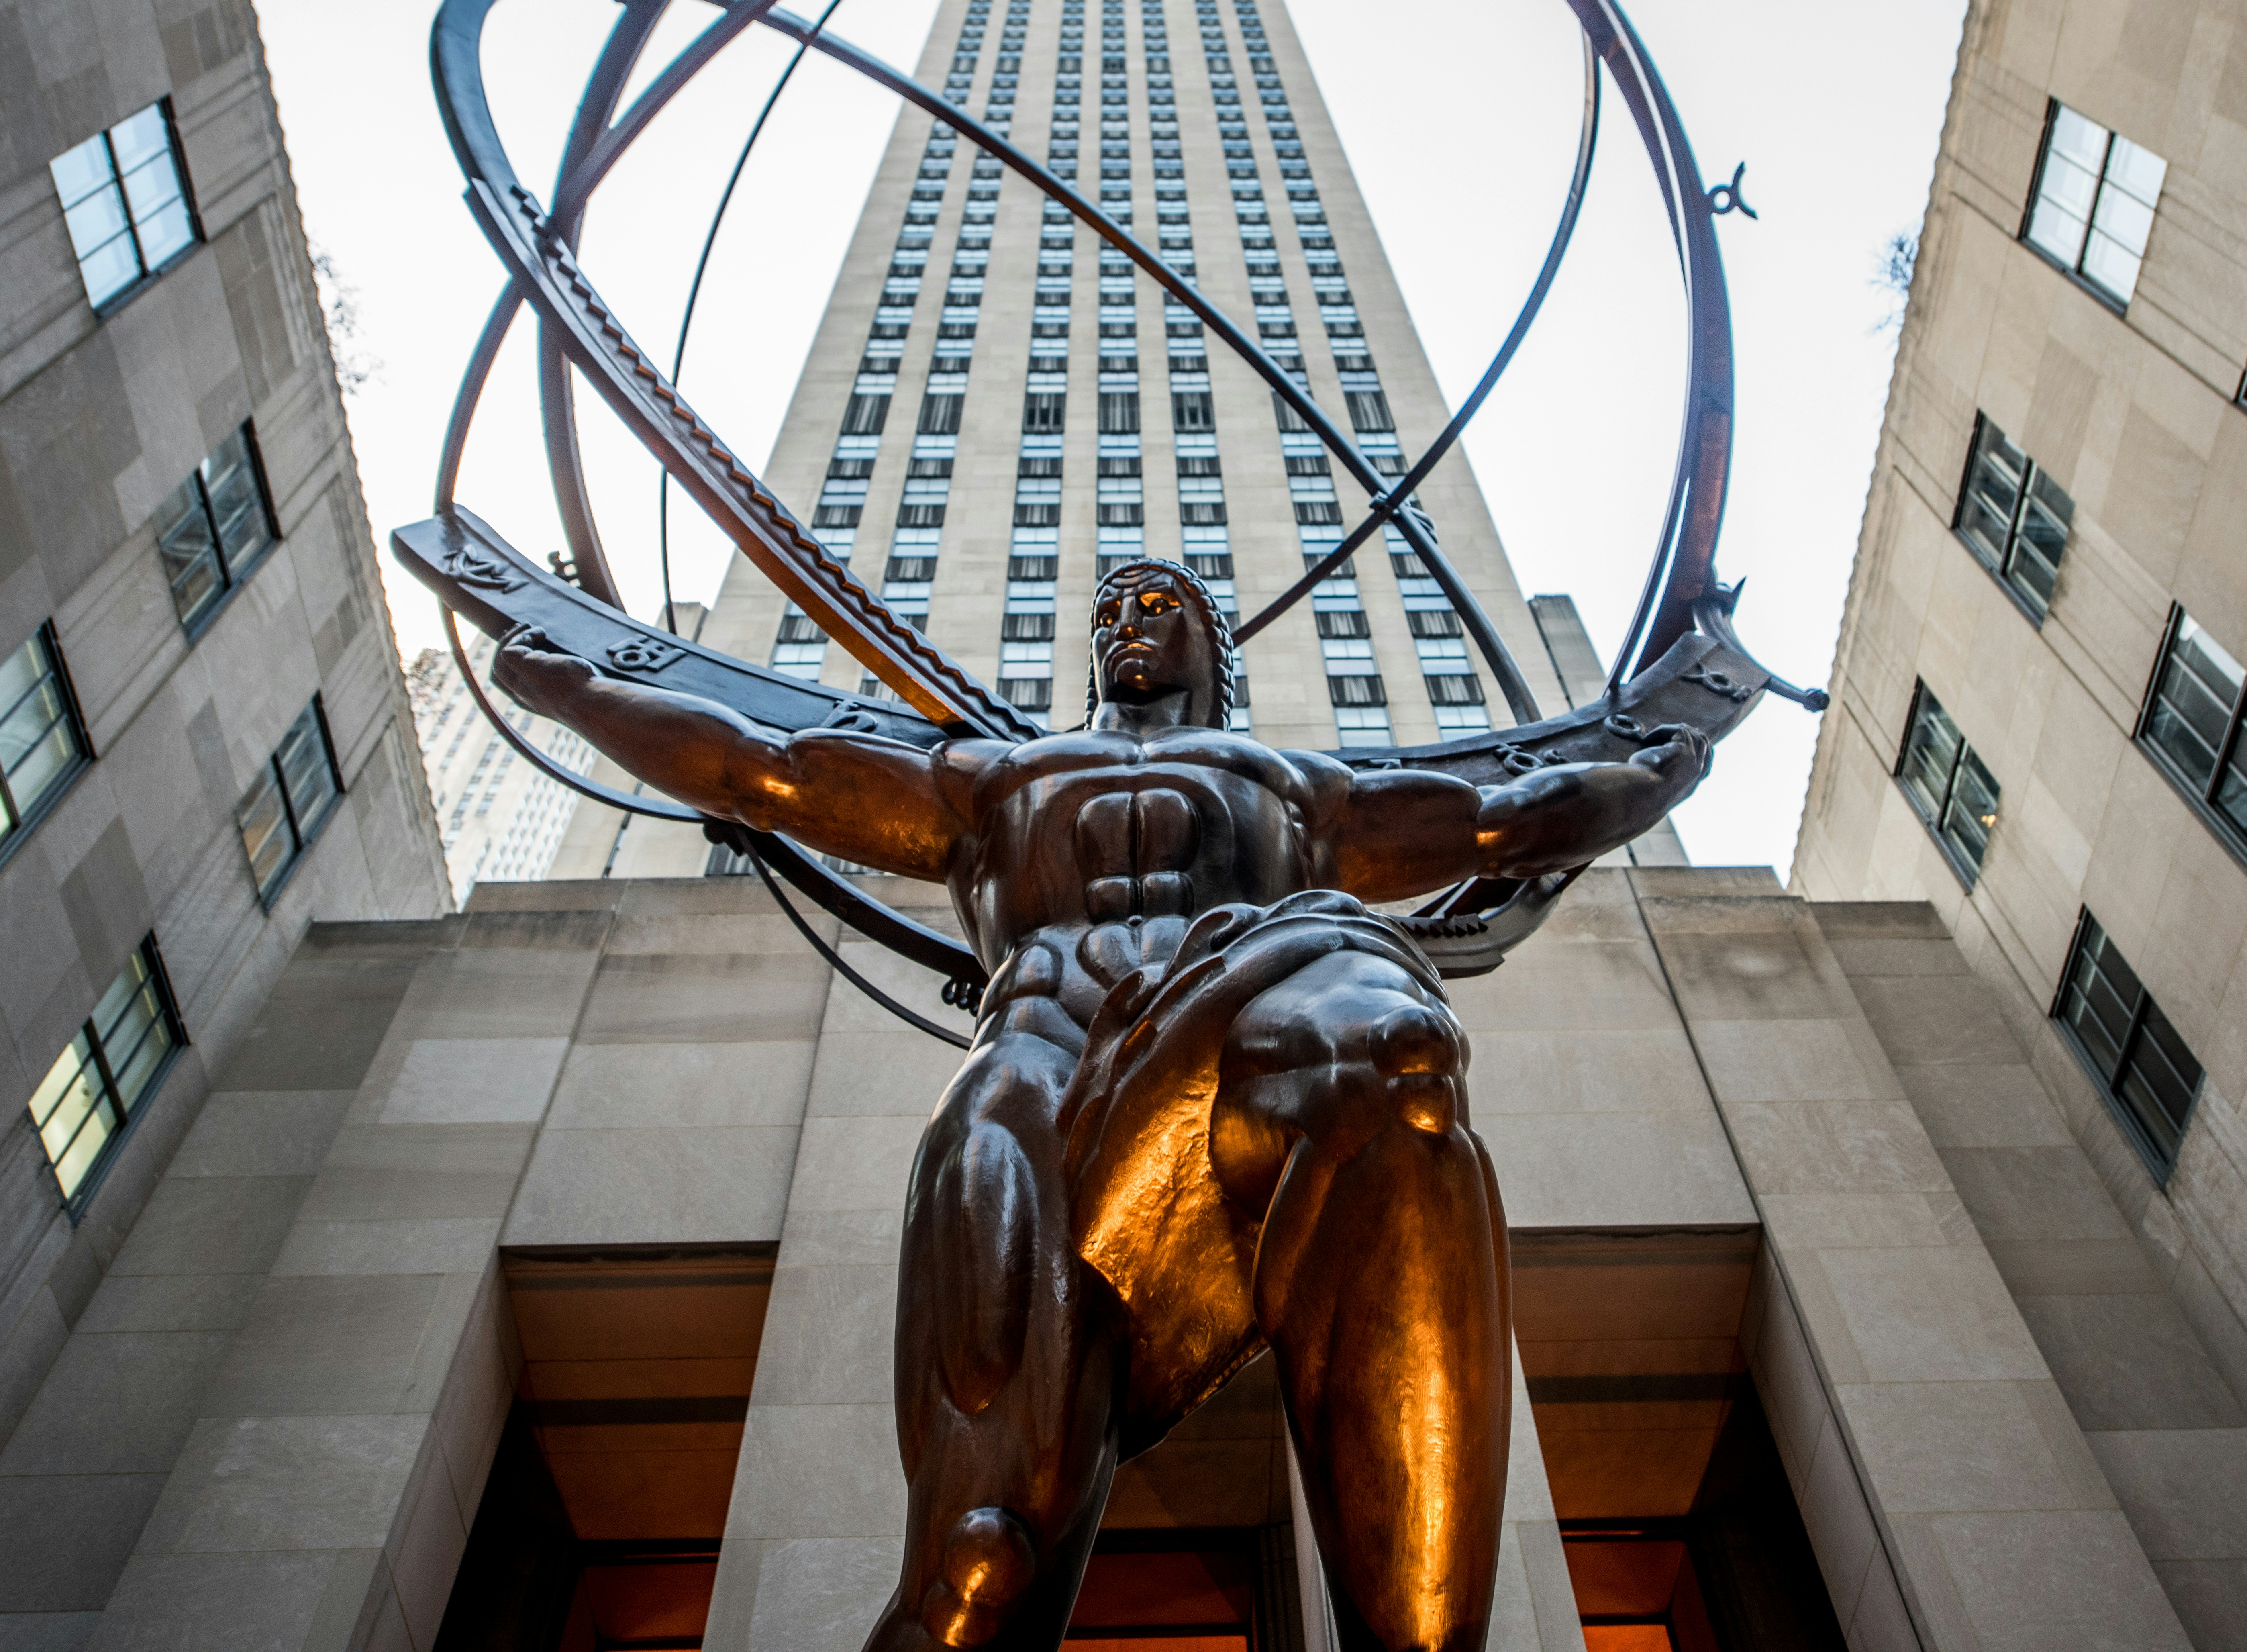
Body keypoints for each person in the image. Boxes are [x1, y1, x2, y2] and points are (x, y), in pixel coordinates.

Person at [492, 557, 1705, 1651]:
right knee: (981, 1561)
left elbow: (1502, 820)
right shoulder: (996, 777)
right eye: (1110, 611)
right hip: (1037, 1060)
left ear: (1212, 652)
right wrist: (581, 697)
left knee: (1389, 1063)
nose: (1128, 624)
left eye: (1159, 606)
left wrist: (1654, 777)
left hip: (1245, 1018)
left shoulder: (1294, 787)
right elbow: (770, 770)